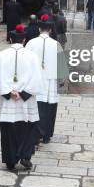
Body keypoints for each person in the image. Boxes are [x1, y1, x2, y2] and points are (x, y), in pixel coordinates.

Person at [0, 24, 43, 170]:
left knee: (8, 129)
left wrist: (8, 92)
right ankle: (25, 156)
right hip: (26, 100)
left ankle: (10, 160)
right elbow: (37, 79)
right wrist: (23, 93)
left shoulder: (1, 55)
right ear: (24, 40)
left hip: (8, 101)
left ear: (11, 39)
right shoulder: (32, 56)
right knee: (28, 127)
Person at [25, 14, 68, 144]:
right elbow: (61, 67)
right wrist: (61, 82)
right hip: (50, 83)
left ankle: (35, 134)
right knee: (49, 109)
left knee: (35, 107)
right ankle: (46, 135)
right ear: (50, 30)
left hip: (34, 82)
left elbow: (25, 64)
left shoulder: (31, 43)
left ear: (39, 29)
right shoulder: (56, 45)